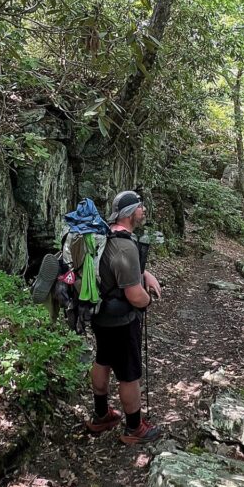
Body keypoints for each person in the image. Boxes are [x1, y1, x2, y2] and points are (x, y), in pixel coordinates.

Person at [85, 190, 163, 445]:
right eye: (140, 207)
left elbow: (116, 268)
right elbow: (134, 295)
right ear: (130, 213)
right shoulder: (125, 246)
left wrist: (144, 273)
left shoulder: (105, 235)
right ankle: (134, 428)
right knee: (129, 372)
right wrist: (148, 300)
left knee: (103, 359)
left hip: (99, 313)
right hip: (121, 321)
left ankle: (101, 415)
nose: (144, 211)